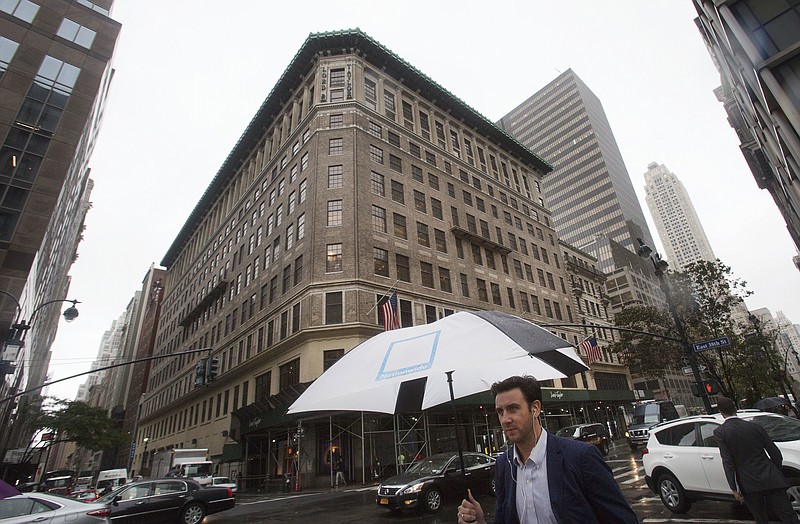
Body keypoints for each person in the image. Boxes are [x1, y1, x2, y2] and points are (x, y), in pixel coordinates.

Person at [458, 375, 638, 524]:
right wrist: (480, 522)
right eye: (500, 411)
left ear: (535, 408)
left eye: (513, 408)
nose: (505, 419)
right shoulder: (503, 464)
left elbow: (621, 519)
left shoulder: (580, 456)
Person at [713, 395, 799, 523]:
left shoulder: (721, 432)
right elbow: (775, 453)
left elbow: (728, 461)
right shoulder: (755, 426)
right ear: (735, 409)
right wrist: (776, 471)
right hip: (770, 477)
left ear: (721, 413)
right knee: (788, 515)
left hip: (748, 483)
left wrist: (734, 488)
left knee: (760, 518)